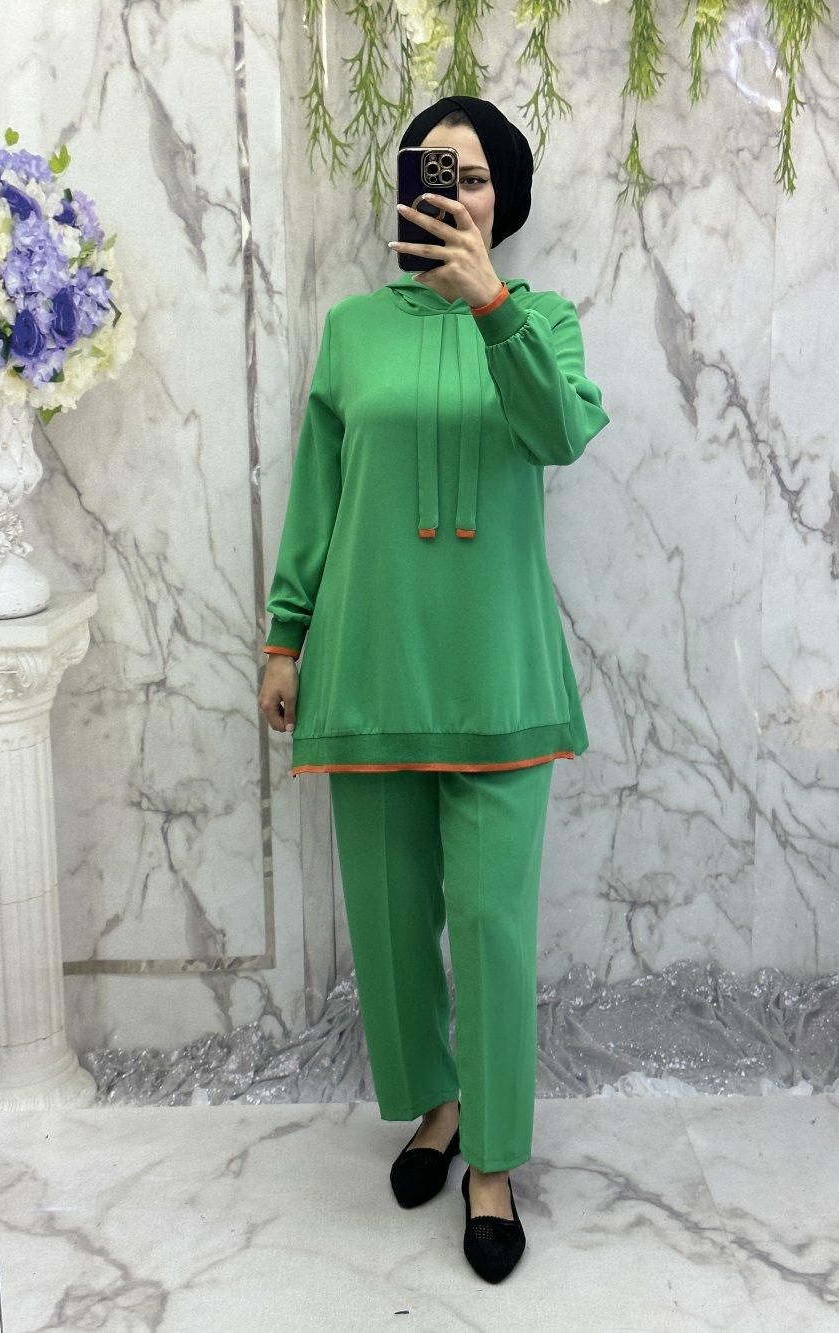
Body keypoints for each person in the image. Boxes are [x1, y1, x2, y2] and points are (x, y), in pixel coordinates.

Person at [258, 94, 609, 1282]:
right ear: (407, 189)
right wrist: (285, 636)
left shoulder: (541, 320)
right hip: (368, 665)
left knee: (494, 926)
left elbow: (558, 434)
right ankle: (438, 1103)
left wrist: (491, 306)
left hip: (496, 670)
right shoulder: (353, 330)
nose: (455, 191)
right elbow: (318, 491)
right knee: (390, 919)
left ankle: (492, 1161)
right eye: (435, 170)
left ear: (503, 197)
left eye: (475, 174)